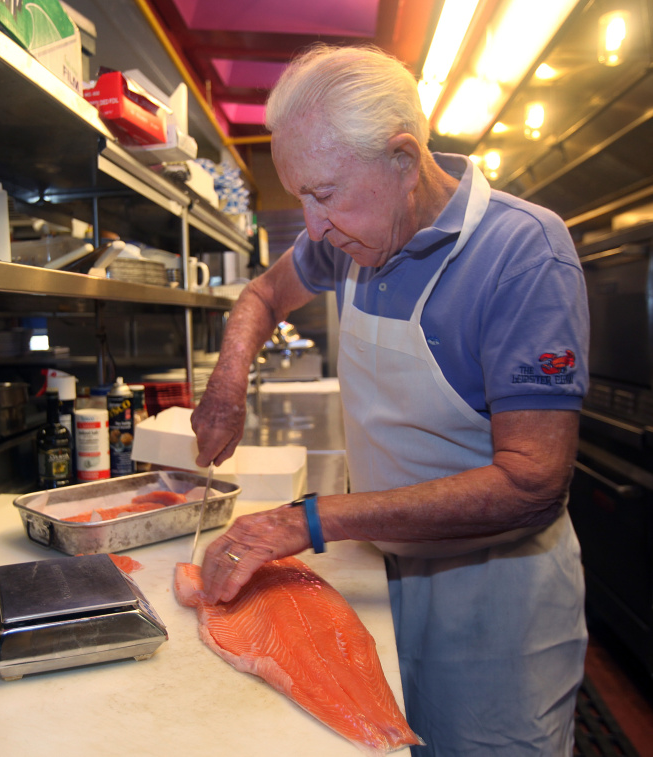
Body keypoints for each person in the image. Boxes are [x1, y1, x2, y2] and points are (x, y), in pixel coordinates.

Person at [191, 44, 589, 757]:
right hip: (376, 567)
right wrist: (226, 382)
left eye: (324, 194)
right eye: (299, 198)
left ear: (404, 159)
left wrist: (306, 520)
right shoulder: (349, 239)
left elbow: (532, 484)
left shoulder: (523, 252)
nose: (311, 227)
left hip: (492, 601)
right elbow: (261, 293)